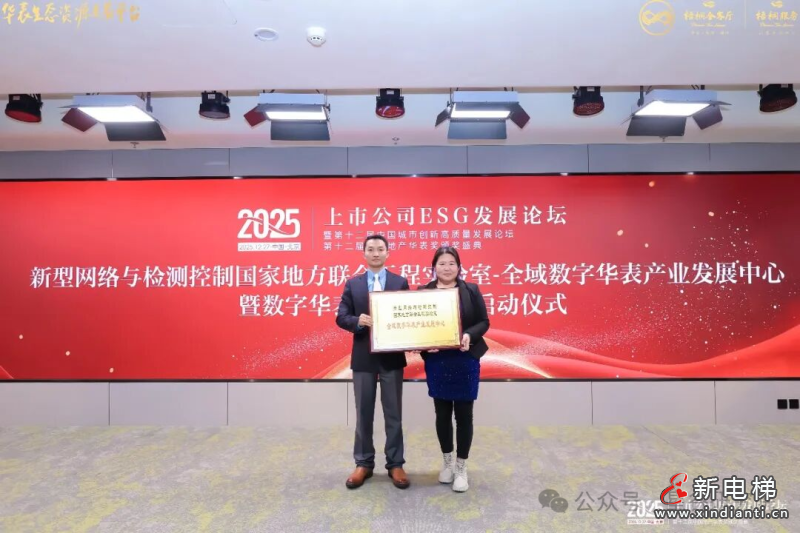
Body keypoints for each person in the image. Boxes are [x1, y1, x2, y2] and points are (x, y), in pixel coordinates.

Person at [336, 234, 411, 490]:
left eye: (380, 249)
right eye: (371, 249)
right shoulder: (353, 284)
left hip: (392, 357)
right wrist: (357, 321)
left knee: (394, 414)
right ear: (364, 254)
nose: (375, 253)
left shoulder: (400, 282)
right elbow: (341, 316)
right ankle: (364, 463)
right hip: (363, 357)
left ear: (388, 253)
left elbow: (408, 316)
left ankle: (396, 463)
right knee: (363, 413)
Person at [417, 246, 489, 492]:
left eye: (451, 263)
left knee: (464, 415)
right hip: (437, 360)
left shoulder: (470, 290)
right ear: (433, 267)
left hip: (465, 358)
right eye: (442, 263)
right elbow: (416, 325)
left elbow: (484, 321)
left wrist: (469, 334)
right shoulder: (423, 292)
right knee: (442, 413)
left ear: (458, 267)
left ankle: (461, 467)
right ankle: (447, 462)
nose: (446, 268)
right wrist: (424, 343)